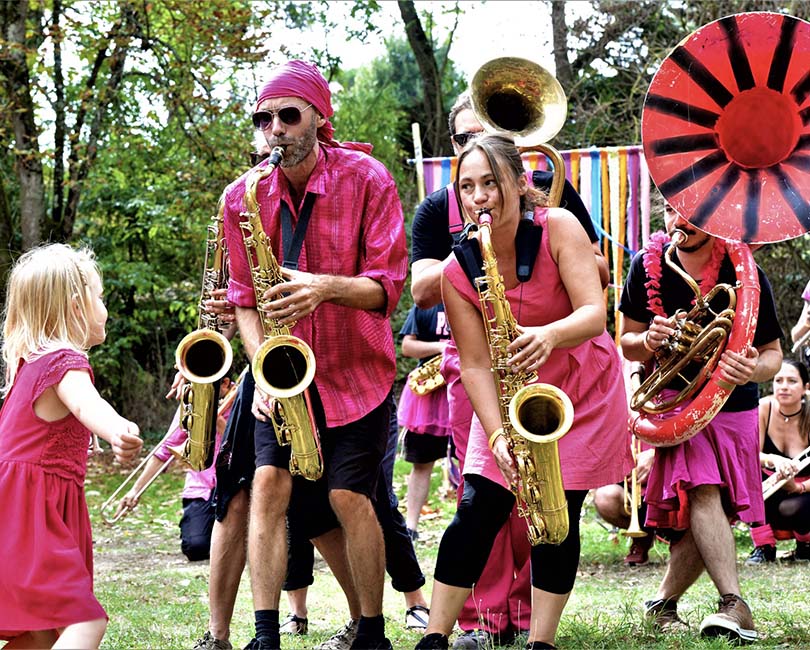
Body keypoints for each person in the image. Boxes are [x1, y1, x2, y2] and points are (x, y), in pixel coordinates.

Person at [416, 133, 631, 650]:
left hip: (582, 388)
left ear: (518, 181)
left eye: (491, 182)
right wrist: (496, 439)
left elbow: (595, 313)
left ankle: (542, 642)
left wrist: (551, 334)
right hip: (510, 395)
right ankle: (434, 637)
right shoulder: (456, 267)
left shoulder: (558, 226)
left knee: (559, 513)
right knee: (477, 507)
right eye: (468, 187)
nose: (479, 196)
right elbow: (474, 365)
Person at [220, 59, 407, 650]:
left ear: (319, 119)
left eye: (288, 115)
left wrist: (325, 286)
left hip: (358, 371)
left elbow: (388, 287)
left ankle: (371, 631)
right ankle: (265, 635)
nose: (274, 128)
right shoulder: (241, 197)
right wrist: (262, 371)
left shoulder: (369, 178)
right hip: (283, 375)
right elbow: (245, 300)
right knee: (269, 486)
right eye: (263, 118)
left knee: (351, 496)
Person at [618, 203, 782, 643]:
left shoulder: (743, 268)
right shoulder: (645, 264)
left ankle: (662, 603)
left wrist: (751, 369)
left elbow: (772, 356)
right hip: (677, 403)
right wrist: (646, 340)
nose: (679, 222)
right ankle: (735, 603)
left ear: (712, 216)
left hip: (735, 405)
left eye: (688, 212)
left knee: (716, 515)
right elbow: (627, 342)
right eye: (670, 211)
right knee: (703, 490)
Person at [0, 243, 143, 648]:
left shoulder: (30, 365)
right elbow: (86, 402)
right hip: (32, 515)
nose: (106, 308)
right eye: (100, 297)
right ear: (76, 306)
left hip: (21, 512)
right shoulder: (64, 360)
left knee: (42, 636)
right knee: (85, 622)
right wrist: (115, 428)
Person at [115, 375, 236, 561]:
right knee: (196, 548)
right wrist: (134, 491)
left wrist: (220, 423)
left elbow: (251, 451)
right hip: (201, 488)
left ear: (226, 384)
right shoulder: (191, 402)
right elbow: (164, 451)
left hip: (236, 487)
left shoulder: (243, 399)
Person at [746, 359, 810, 564]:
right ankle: (763, 547)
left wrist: (798, 487)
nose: (783, 386)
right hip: (771, 485)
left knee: (798, 507)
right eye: (778, 380)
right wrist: (774, 460)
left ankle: (806, 545)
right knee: (748, 474)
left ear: (805, 388)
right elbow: (750, 453)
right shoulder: (764, 407)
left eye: (792, 381)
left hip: (805, 490)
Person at [397, 303, 452, 540]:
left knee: (472, 466)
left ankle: (467, 526)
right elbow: (407, 346)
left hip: (467, 391)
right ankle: (411, 526)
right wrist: (445, 347)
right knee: (422, 463)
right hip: (428, 397)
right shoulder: (424, 305)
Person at [593, 440, 657, 566]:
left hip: (672, 481)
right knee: (605, 497)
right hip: (636, 492)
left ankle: (684, 541)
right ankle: (643, 537)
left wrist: (657, 454)